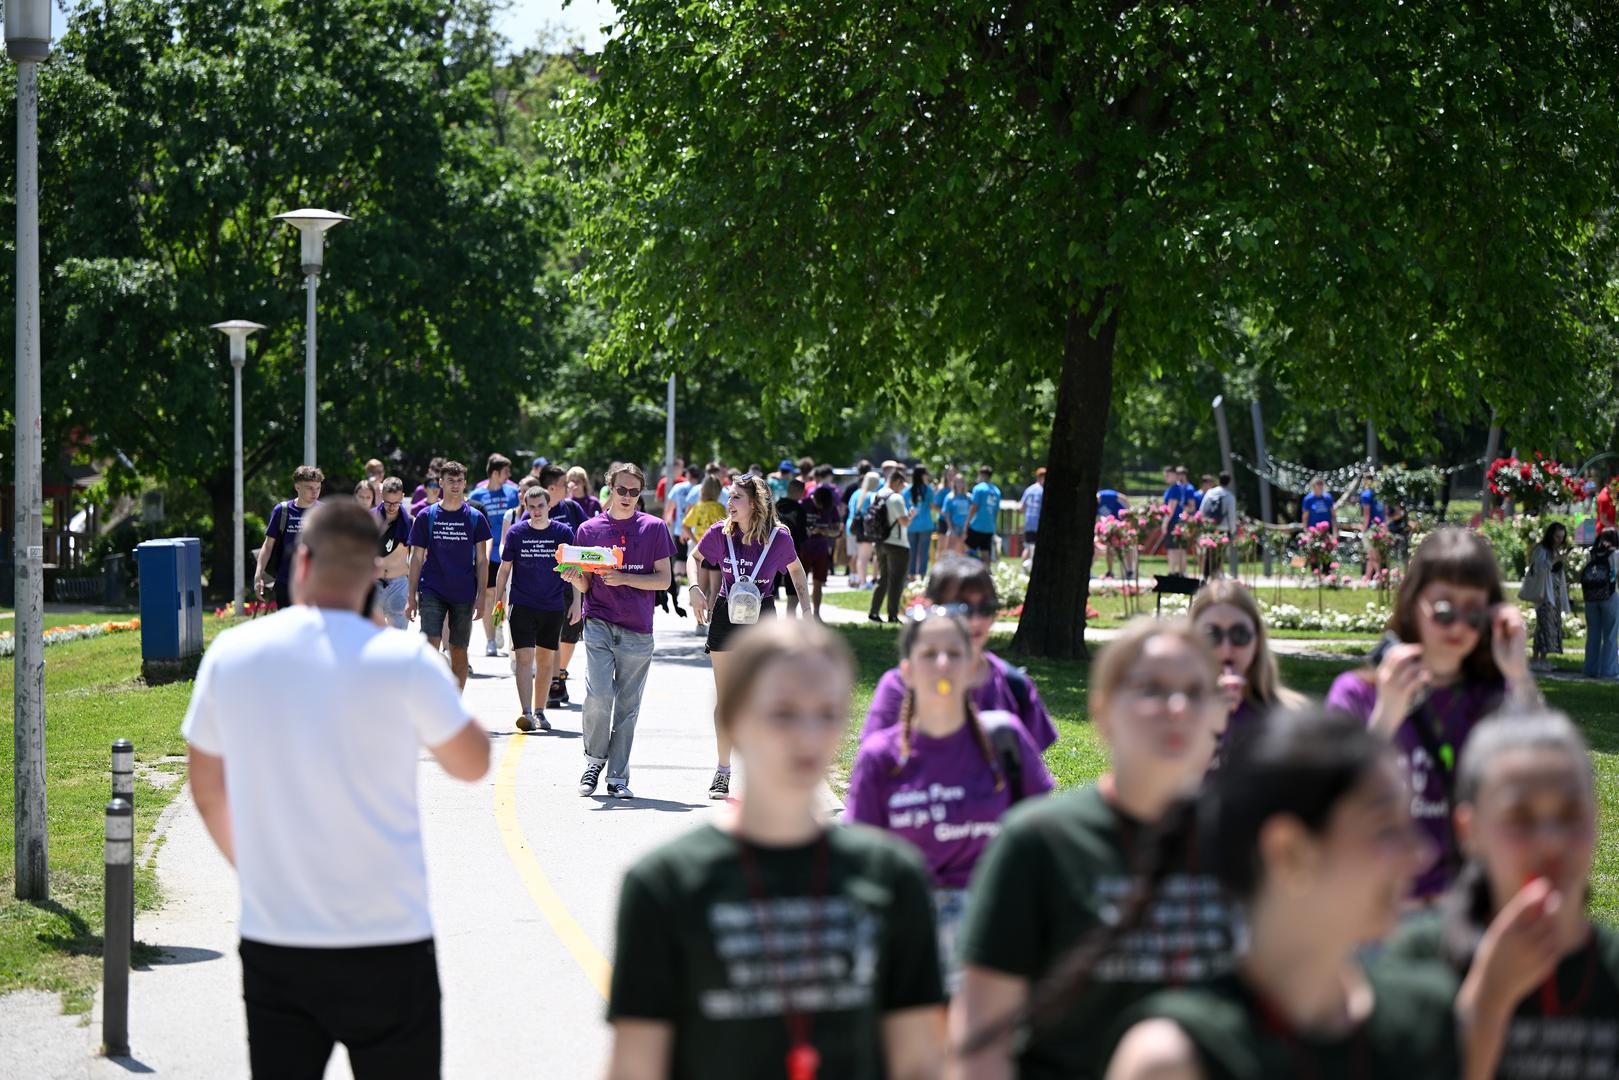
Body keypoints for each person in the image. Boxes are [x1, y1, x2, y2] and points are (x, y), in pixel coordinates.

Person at [182, 501, 490, 1080]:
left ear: (301, 562)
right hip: (389, 937)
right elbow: (473, 762)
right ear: (373, 573)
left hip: (277, 933)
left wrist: (259, 870)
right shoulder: (401, 659)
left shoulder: (234, 655)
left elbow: (207, 791)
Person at [603, 620, 947, 1080]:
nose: (808, 735)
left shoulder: (893, 876)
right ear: (732, 720)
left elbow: (919, 1060)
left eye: (827, 713)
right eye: (783, 712)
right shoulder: (666, 884)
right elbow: (636, 1065)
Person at [953, 620, 1239, 1080]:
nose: (1178, 708)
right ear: (1103, 710)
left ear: (1220, 713)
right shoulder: (1039, 842)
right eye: (1152, 689)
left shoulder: (1247, 843)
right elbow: (982, 1040)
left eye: (1197, 691)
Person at [1101, 709, 1456, 1080]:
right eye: (1387, 829)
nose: (1421, 853)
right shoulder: (1175, 1060)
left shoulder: (1428, 1020)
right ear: (1289, 853)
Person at [1379, 711, 1617, 1080]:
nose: (1551, 841)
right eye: (1520, 817)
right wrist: (1488, 1002)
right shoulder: (1416, 964)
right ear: (1468, 830)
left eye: (1571, 813)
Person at [1326, 527, 1540, 902]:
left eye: (1474, 613)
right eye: (1444, 610)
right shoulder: (1358, 692)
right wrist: (1386, 716)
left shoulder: (1495, 697)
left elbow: (1544, 772)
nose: (1459, 625)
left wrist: (1519, 675)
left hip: (1465, 906)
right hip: (1378, 907)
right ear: (1412, 604)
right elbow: (1330, 799)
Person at [844, 608, 1054, 992]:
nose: (943, 664)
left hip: (994, 937)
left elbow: (1048, 835)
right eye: (929, 654)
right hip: (910, 938)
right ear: (906, 671)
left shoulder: (1005, 739)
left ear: (973, 667)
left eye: (955, 654)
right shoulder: (880, 757)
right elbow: (860, 865)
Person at [689, 474, 810, 801]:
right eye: (729, 497)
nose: (729, 504)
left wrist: (807, 613)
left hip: (763, 616)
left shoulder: (778, 538)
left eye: (736, 498)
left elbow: (796, 571)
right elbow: (695, 559)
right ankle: (723, 770)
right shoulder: (720, 533)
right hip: (727, 614)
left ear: (754, 503)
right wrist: (695, 588)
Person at [562, 463, 675, 800]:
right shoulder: (588, 529)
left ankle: (618, 776)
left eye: (634, 491)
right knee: (598, 696)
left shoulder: (654, 528)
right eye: (621, 490)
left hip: (638, 629)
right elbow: (585, 579)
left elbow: (664, 580)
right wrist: (573, 577)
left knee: (627, 706)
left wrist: (625, 577)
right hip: (598, 621)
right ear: (609, 487)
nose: (627, 497)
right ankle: (594, 761)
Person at [863, 556, 1058, 750]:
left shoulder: (1015, 687)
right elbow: (873, 765)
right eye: (961, 607)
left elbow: (1027, 772)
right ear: (931, 608)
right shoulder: (899, 686)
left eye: (986, 608)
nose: (975, 620)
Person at [1187, 580, 1304, 771]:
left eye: (1239, 635)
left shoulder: (1290, 716)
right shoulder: (1172, 715)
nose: (1226, 649)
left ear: (1257, 641)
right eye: (1211, 636)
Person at [494, 484, 579, 733]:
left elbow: (575, 570)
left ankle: (541, 711)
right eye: (531, 507)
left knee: (544, 660)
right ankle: (526, 713)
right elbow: (504, 569)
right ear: (526, 507)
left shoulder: (563, 533)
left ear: (549, 505)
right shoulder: (516, 533)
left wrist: (577, 603)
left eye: (541, 506)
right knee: (523, 658)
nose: (537, 511)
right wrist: (498, 600)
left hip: (552, 605)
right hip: (522, 604)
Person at [406, 461, 490, 691]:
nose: (455, 485)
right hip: (432, 589)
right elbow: (416, 558)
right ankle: (428, 702)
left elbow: (482, 561)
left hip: (463, 592)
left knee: (459, 650)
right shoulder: (427, 516)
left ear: (465, 483)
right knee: (429, 645)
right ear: (440, 483)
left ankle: (455, 706)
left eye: (459, 481)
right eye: (450, 480)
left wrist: (482, 596)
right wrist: (410, 596)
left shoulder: (475, 517)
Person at [468, 454, 521, 658]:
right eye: (506, 472)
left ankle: (498, 623)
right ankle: (490, 640)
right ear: (495, 473)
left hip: (509, 554)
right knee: (489, 596)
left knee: (506, 598)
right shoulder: (477, 496)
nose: (509, 476)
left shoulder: (513, 493)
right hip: (488, 555)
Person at [255, 465, 324, 611]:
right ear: (297, 487)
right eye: (309, 488)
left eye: (318, 488)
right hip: (286, 581)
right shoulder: (282, 510)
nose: (315, 492)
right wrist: (258, 575)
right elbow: (268, 546)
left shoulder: (324, 511)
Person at [869, 468, 915, 624]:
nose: (903, 489)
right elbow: (904, 523)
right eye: (902, 485)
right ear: (897, 482)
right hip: (897, 543)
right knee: (896, 581)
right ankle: (893, 615)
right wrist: (911, 515)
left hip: (880, 542)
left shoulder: (877, 495)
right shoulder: (896, 498)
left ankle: (874, 612)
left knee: (883, 579)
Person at [1527, 522, 1571, 670]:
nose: (1559, 540)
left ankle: (1542, 659)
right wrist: (1555, 560)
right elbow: (1539, 568)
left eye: (1562, 537)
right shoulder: (1541, 550)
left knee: (1549, 626)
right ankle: (1536, 659)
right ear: (1550, 535)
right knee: (1543, 627)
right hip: (1545, 594)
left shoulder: (1555, 550)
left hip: (1555, 594)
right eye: (1557, 536)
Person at [374, 477, 414, 631]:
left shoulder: (410, 522)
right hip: (374, 582)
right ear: (381, 495)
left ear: (403, 497)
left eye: (396, 503)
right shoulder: (371, 519)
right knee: (371, 638)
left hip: (399, 584)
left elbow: (419, 556)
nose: (391, 507)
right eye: (387, 502)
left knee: (399, 639)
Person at [798, 484, 842, 620]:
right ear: (814, 498)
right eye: (818, 505)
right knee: (800, 583)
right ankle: (800, 614)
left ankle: (816, 613)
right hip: (804, 549)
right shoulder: (803, 504)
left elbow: (837, 530)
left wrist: (827, 532)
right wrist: (810, 531)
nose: (821, 508)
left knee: (818, 583)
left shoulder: (831, 507)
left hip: (821, 549)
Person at [1581, 526, 1619, 680]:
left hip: (1590, 598)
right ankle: (1608, 671)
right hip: (1609, 596)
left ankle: (1590, 669)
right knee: (1610, 635)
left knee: (1593, 634)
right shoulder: (1615, 554)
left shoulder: (1590, 553)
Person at [774, 477, 810, 617]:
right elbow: (802, 535)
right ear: (799, 492)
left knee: (771, 587)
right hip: (792, 553)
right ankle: (790, 617)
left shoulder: (776, 506)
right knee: (793, 587)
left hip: (773, 551)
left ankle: (769, 619)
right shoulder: (799, 510)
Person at [1196, 472, 1237, 580]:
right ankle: (1215, 579)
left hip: (1210, 528)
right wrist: (1232, 531)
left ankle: (1204, 577)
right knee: (1219, 556)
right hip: (1223, 529)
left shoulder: (1210, 493)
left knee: (1208, 554)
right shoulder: (1229, 496)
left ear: (1218, 480)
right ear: (1229, 483)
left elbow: (1202, 510)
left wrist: (1203, 525)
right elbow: (1231, 516)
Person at [847, 472, 883, 589]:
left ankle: (861, 581)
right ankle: (864, 582)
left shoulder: (856, 494)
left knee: (860, 557)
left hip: (857, 528)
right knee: (867, 557)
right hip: (869, 528)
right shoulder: (873, 495)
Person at [1161, 466, 1194, 575]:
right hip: (1178, 521)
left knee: (1172, 549)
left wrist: (1165, 523)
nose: (1166, 478)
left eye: (1168, 475)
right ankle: (1181, 572)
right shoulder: (1176, 487)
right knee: (1179, 548)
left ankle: (1172, 572)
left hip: (1173, 521)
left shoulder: (1175, 488)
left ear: (1175, 475)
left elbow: (1171, 508)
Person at [907, 466, 938, 580]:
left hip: (911, 525)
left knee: (912, 551)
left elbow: (905, 507)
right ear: (922, 475)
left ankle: (911, 574)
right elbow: (931, 506)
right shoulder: (928, 490)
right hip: (925, 524)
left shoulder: (908, 490)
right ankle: (922, 575)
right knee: (923, 551)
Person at [967, 466, 1001, 566]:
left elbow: (974, 507)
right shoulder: (996, 491)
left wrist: (967, 522)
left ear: (981, 474)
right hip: (989, 527)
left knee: (969, 549)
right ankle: (987, 574)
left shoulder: (978, 488)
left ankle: (969, 571)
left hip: (977, 525)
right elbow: (996, 511)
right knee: (985, 551)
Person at [1096, 485, 1132, 577]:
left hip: (1122, 522)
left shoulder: (1105, 495)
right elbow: (1099, 519)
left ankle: (1129, 570)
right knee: (1110, 547)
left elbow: (1123, 498)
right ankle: (1110, 571)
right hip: (1111, 526)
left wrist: (1129, 513)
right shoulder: (1094, 507)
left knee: (1127, 545)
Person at [940, 472, 973, 559]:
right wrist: (950, 528)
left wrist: (967, 527)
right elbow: (946, 514)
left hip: (966, 527)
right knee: (950, 551)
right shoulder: (950, 497)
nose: (959, 484)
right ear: (954, 483)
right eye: (957, 482)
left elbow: (972, 512)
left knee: (964, 550)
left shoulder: (969, 497)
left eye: (961, 482)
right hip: (954, 526)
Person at [1019, 467, 1045, 568]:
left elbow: (1021, 508)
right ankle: (1030, 567)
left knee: (1028, 546)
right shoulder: (1043, 490)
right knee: (1032, 547)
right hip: (1037, 523)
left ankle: (1023, 568)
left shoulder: (1029, 489)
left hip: (1028, 522)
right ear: (1040, 477)